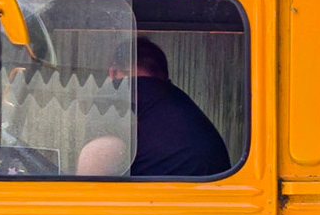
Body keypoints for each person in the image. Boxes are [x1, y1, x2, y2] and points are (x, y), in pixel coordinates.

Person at [75, 37, 231, 177]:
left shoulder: (121, 91)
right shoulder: (176, 101)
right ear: (165, 77)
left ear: (113, 72)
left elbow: (94, 166)